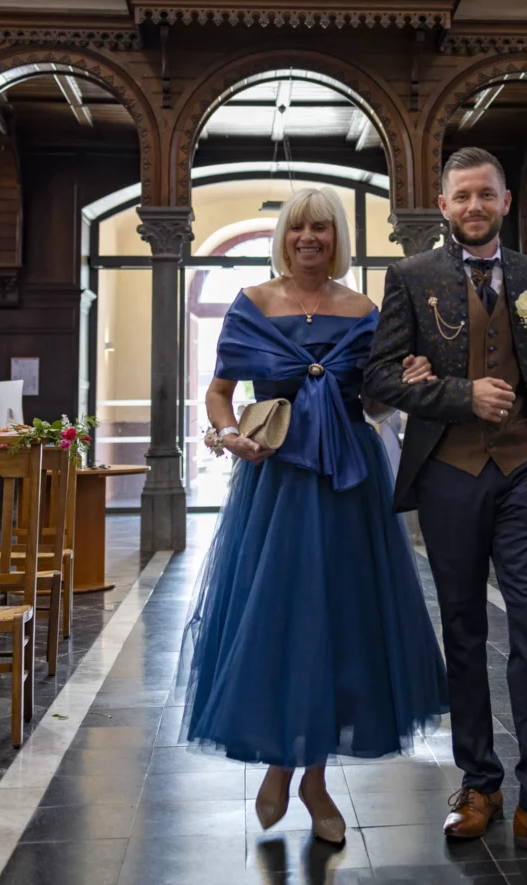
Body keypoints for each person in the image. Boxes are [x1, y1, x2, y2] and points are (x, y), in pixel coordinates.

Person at [179, 187, 448, 846]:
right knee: (277, 619)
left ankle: (315, 778)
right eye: (298, 227)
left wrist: (406, 385)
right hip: (276, 483)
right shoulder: (252, 305)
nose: (309, 238)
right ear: (284, 236)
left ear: (337, 238)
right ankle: (279, 761)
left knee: (340, 623)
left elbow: (375, 406)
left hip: (348, 481)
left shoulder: (364, 309)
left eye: (322, 228)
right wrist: (225, 435)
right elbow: (218, 393)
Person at [363, 147, 527, 857]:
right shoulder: (410, 277)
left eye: (485, 195)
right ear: (443, 207)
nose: (473, 206)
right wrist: (457, 394)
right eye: (461, 196)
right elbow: (378, 376)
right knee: (464, 629)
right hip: (448, 471)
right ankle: (479, 782)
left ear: (504, 201)